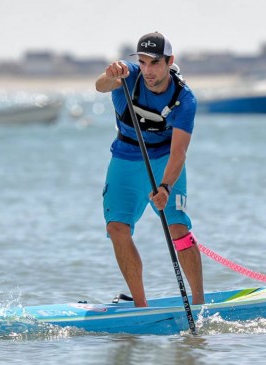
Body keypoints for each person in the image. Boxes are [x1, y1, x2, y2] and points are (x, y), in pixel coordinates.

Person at [95, 32, 204, 307]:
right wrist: (111, 75)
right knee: (116, 228)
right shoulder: (127, 75)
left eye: (154, 63)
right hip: (125, 157)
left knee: (177, 228)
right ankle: (140, 307)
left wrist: (166, 186)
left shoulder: (184, 99)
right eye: (142, 62)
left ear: (170, 62)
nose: (147, 70)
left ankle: (200, 304)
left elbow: (179, 152)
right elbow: (101, 86)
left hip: (164, 159)